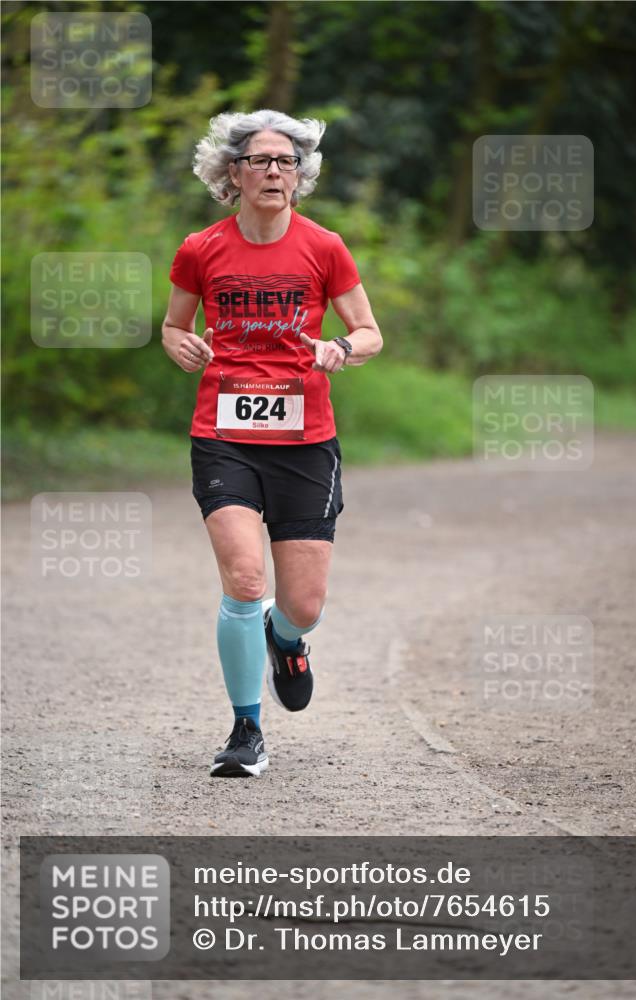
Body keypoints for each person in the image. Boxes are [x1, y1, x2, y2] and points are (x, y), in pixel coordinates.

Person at [161, 109, 383, 778]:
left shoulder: (324, 246)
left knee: (302, 604)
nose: (274, 171)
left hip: (306, 439)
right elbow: (172, 327)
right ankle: (245, 730)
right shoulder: (200, 248)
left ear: (300, 175)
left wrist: (339, 347)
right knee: (244, 579)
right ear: (233, 173)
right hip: (224, 434)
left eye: (286, 162)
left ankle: (286, 642)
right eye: (259, 160)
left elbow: (369, 331)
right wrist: (181, 344)